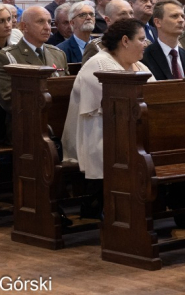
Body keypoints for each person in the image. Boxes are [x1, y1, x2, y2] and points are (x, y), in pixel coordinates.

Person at [61, 18, 154, 219]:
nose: (145, 44)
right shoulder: (99, 64)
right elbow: (120, 107)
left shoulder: (139, 66)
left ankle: (140, 206)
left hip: (126, 132)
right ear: (125, 41)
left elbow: (156, 95)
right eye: (141, 39)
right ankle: (114, 209)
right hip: (95, 136)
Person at [0, 6, 69, 112]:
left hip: (58, 117)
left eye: (49, 22)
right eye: (41, 22)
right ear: (24, 26)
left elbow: (67, 89)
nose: (47, 27)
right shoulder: (8, 56)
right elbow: (9, 100)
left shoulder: (58, 54)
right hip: (26, 121)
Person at [141, 0, 185, 80]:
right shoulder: (145, 57)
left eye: (182, 16)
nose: (181, 20)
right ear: (157, 22)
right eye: (174, 16)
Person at [82, 0, 135, 64]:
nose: (129, 18)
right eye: (123, 14)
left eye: (131, 13)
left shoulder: (142, 44)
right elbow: (87, 73)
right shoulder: (96, 47)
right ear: (108, 20)